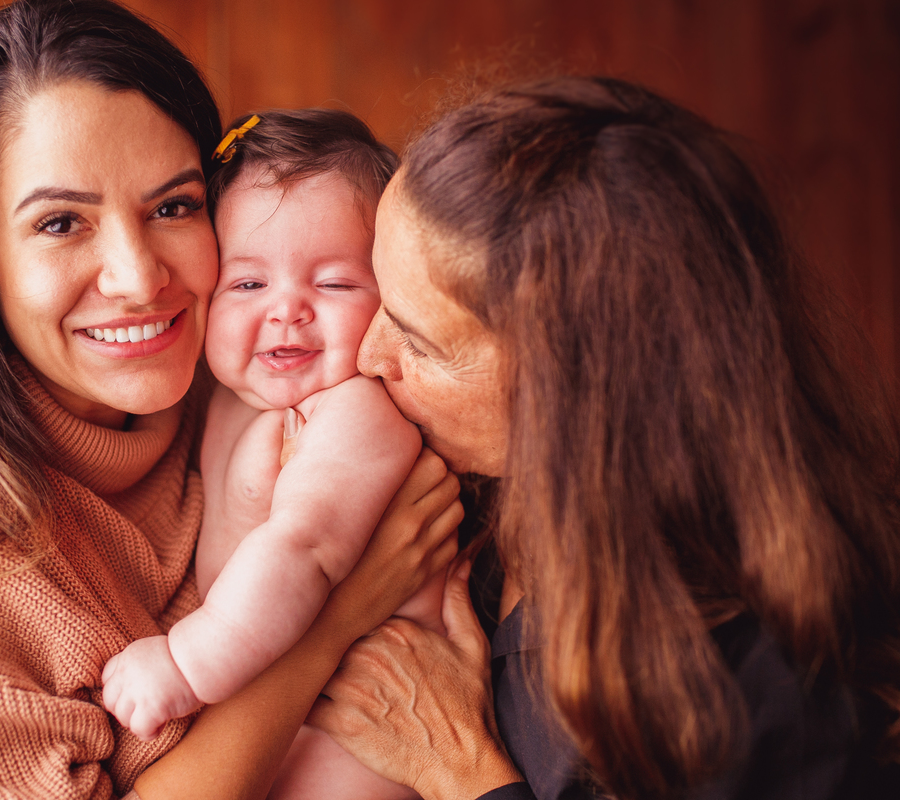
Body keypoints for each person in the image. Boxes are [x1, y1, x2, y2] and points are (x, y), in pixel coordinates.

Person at [0, 3, 462, 799]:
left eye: (173, 206)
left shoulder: (246, 386)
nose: (139, 279)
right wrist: (332, 621)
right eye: (62, 222)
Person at [307, 76, 900, 800]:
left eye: (421, 343)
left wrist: (462, 772)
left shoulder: (766, 677)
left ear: (583, 395)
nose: (368, 357)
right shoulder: (463, 493)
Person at [102, 109, 438, 800]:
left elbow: (302, 549)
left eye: (336, 284)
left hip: (362, 726)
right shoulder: (226, 394)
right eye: (249, 284)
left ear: (393, 299)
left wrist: (186, 665)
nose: (288, 311)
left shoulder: (355, 412)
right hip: (283, 695)